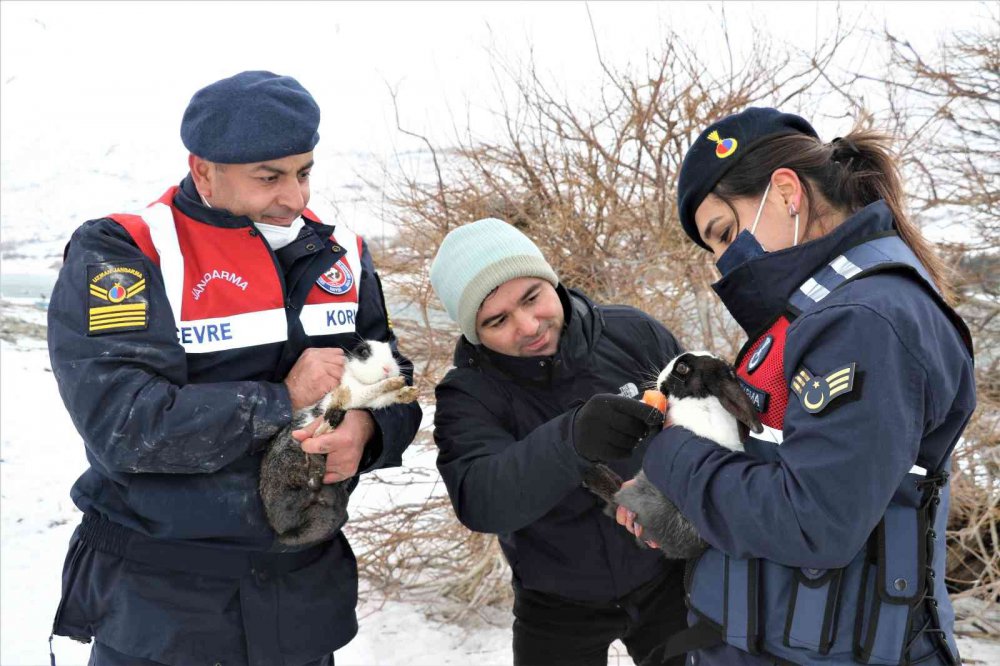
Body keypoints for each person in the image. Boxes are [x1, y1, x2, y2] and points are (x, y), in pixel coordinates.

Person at [47, 71, 422, 666]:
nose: (294, 198)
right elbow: (123, 425)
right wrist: (284, 398)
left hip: (300, 600)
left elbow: (390, 379)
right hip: (162, 608)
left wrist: (369, 431)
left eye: (303, 172)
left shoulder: (339, 251)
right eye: (268, 178)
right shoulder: (125, 252)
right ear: (203, 170)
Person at [608, 108, 975, 665]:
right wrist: (666, 493)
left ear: (785, 193)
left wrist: (665, 453)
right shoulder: (807, 318)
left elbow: (812, 523)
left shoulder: (867, 321)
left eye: (725, 232)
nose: (725, 260)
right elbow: (769, 467)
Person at [428, 217, 689, 666]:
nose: (528, 326)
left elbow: (701, 428)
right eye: (497, 320)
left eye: (533, 297)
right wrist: (569, 440)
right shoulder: (468, 395)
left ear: (553, 282)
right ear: (475, 334)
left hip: (667, 575)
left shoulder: (632, 333)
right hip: (554, 601)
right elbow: (480, 499)